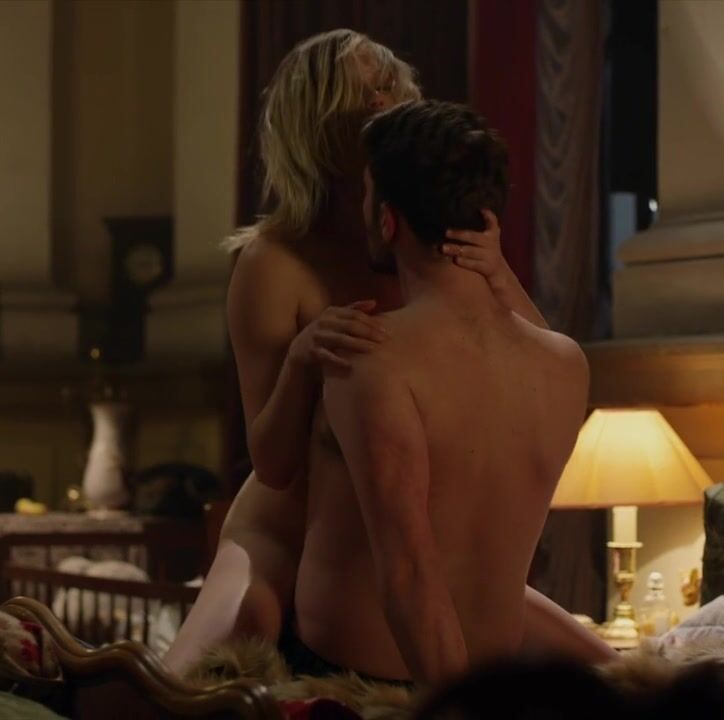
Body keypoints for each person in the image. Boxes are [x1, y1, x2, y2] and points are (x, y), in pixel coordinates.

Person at [162, 29, 615, 677]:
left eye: (389, 86)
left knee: (613, 668)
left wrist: (496, 271)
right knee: (212, 662)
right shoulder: (275, 262)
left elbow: (535, 369)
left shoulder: (435, 241)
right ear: (316, 125)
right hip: (284, 526)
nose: (383, 101)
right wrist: (301, 361)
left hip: (391, 530)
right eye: (362, 94)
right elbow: (272, 463)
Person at [276, 100, 594, 684]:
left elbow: (409, 571)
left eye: (367, 195)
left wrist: (455, 708)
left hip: (363, 682)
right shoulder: (565, 364)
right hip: (493, 678)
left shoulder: (370, 356)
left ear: (388, 220)